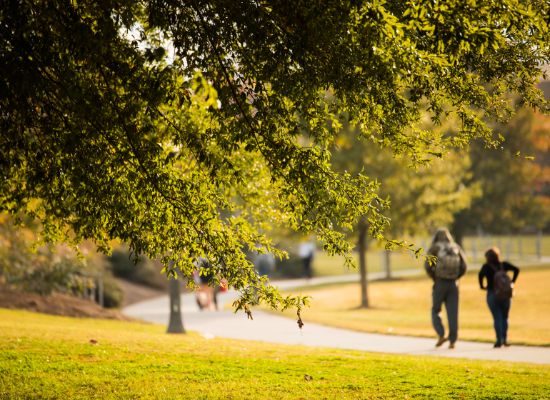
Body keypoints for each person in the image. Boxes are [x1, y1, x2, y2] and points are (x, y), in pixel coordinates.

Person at [424, 228, 467, 349]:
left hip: (440, 283)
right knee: (453, 312)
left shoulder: (435, 248)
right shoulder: (455, 247)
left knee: (436, 309)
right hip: (454, 284)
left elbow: (427, 265)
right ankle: (452, 341)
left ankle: (441, 334)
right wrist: (456, 277)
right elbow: (464, 266)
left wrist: (435, 277)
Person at [478, 247, 520, 348]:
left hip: (492, 293)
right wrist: (512, 282)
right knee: (505, 317)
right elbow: (516, 269)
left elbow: (480, 276)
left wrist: (483, 286)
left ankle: (499, 339)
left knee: (497, 317)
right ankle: (505, 339)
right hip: (505, 294)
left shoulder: (486, 267)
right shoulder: (503, 265)